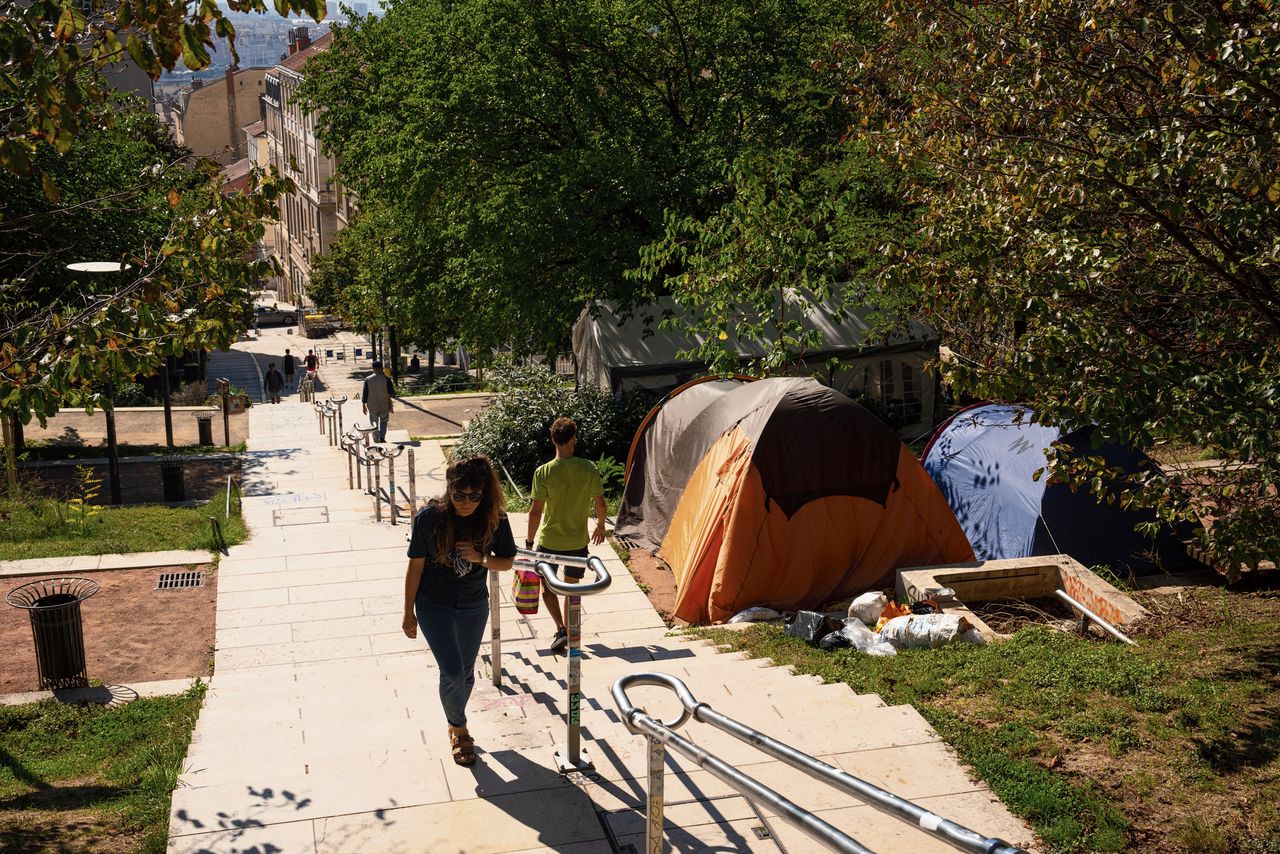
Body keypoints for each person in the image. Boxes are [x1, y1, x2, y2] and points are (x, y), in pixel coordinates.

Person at [402, 456, 516, 766]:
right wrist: (408, 611)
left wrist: (481, 558)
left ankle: (454, 720)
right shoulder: (429, 519)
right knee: (451, 670)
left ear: (485, 494)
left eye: (474, 495)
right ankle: (459, 728)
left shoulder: (495, 519)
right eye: (459, 494)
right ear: (449, 490)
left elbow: (506, 562)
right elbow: (415, 567)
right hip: (432, 604)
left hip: (473, 605)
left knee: (465, 674)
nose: (466, 502)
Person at [525, 416, 607, 653]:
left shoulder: (543, 472)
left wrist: (529, 543)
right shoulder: (588, 468)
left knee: (547, 589)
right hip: (577, 543)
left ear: (553, 440)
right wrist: (600, 526)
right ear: (573, 439)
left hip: (549, 542)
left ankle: (561, 628)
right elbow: (600, 503)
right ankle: (571, 632)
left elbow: (535, 512)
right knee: (572, 590)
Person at [361, 359, 395, 442]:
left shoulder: (368, 379)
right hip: (384, 404)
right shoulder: (386, 379)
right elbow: (391, 393)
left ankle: (376, 439)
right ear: (381, 368)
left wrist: (363, 405)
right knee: (384, 421)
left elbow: (365, 393)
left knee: (374, 422)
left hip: (372, 405)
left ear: (373, 368)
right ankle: (382, 436)